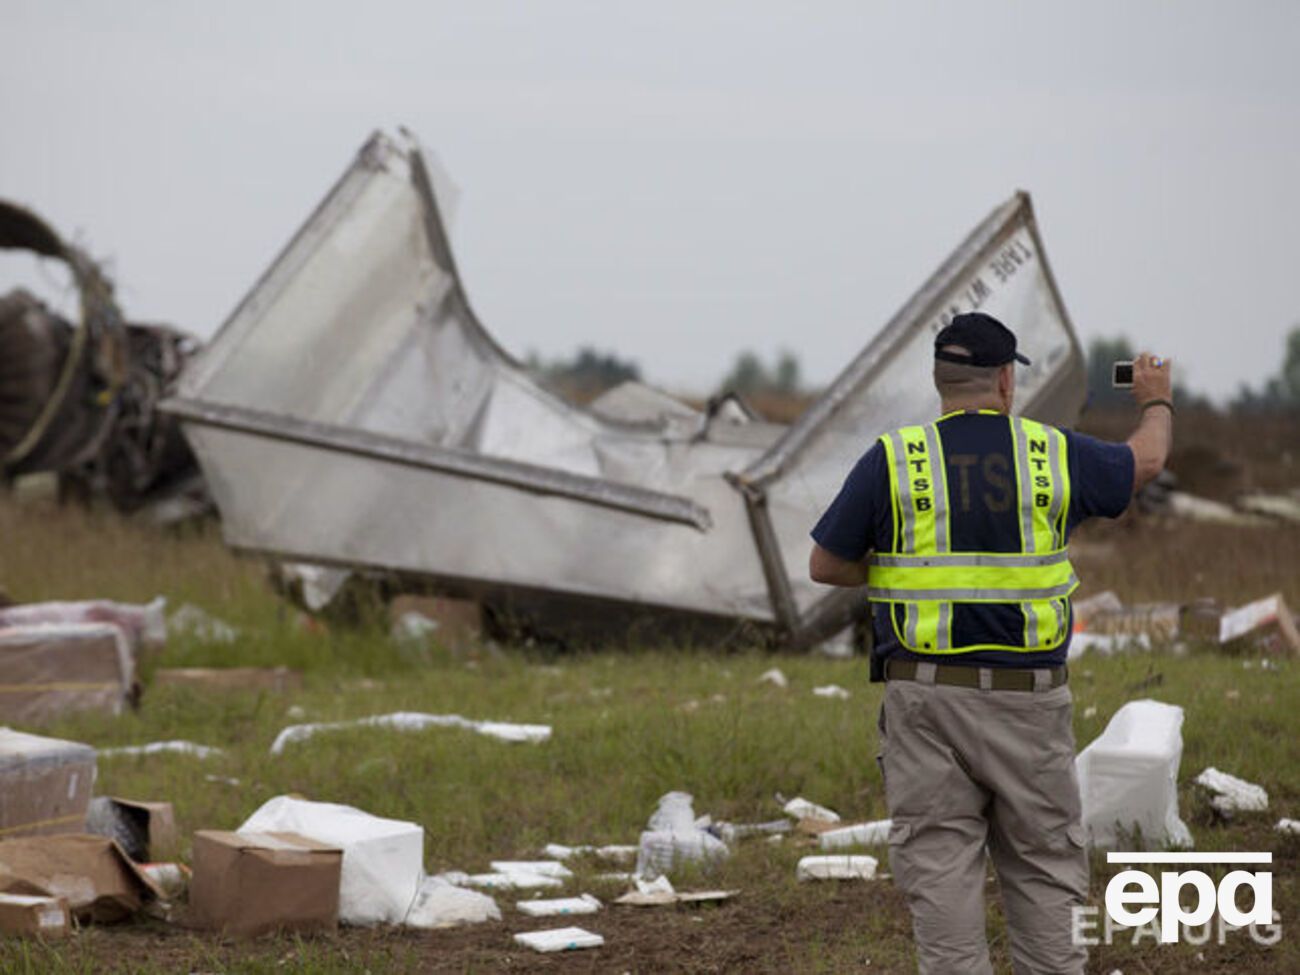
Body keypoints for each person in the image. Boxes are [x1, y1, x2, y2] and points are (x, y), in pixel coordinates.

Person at [807, 312, 1173, 975]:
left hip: (926, 703)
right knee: (1044, 867)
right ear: (1005, 380)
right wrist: (1155, 399)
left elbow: (825, 564)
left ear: (941, 381)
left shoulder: (893, 459)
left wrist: (893, 571)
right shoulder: (1054, 452)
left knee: (942, 875)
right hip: (1028, 706)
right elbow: (1146, 461)